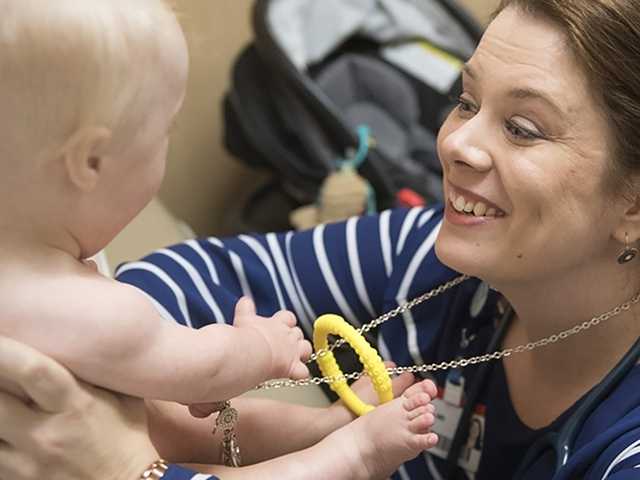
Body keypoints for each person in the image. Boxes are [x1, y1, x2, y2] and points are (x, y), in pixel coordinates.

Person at [4, 0, 640, 478]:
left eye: (523, 128)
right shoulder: (433, 256)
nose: (455, 143)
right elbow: (210, 271)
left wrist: (125, 463)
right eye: (467, 102)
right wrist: (130, 362)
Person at [0, 0, 439, 478]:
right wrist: (259, 347)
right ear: (91, 162)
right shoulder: (88, 312)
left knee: (140, 412)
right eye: (164, 130)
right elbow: (205, 370)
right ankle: (353, 455)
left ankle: (324, 428)